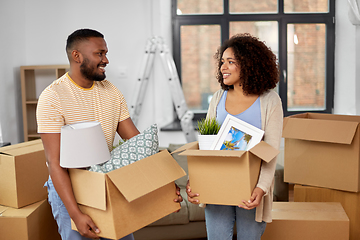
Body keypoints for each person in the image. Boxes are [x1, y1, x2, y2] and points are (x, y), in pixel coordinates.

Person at [36, 29, 183, 240]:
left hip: (105, 183)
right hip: (69, 188)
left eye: (106, 53)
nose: (106, 60)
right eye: (100, 53)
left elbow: (137, 143)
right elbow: (55, 163)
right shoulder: (53, 97)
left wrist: (165, 184)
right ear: (77, 56)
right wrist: (75, 214)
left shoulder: (111, 91)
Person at [186, 33, 283, 239]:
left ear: (249, 64)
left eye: (231, 62)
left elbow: (271, 151)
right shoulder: (218, 97)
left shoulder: (270, 101)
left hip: (251, 189)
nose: (223, 67)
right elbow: (206, 146)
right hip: (217, 185)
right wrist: (196, 180)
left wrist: (262, 188)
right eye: (222, 62)